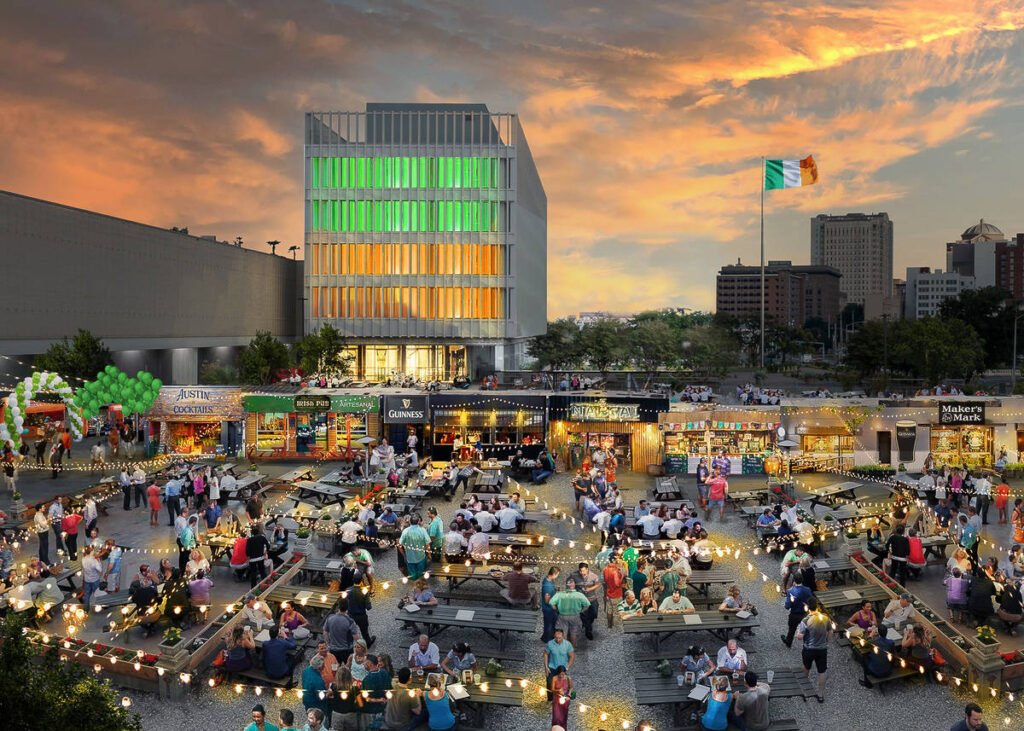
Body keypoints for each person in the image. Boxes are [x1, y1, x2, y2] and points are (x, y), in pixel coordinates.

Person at [796, 597, 831, 702]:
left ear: (807, 607)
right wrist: (826, 641)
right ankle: (820, 694)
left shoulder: (805, 620)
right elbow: (830, 632)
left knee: (806, 668)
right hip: (822, 649)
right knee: (822, 671)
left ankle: (805, 691)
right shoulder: (825, 618)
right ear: (817, 606)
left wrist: (799, 632)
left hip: (809, 649)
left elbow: (799, 637)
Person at [324, 597, 360, 662]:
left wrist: (329, 642)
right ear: (347, 607)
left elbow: (326, 632)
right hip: (347, 650)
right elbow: (355, 637)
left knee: (335, 668)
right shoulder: (350, 621)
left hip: (333, 649)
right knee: (348, 667)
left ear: (338, 607)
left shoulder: (330, 618)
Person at [781, 573, 811, 648]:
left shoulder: (791, 591)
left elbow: (787, 606)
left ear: (794, 580)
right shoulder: (807, 590)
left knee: (792, 629)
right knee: (806, 630)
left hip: (794, 614)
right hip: (805, 613)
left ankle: (788, 642)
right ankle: (807, 645)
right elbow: (809, 601)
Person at [543, 628, 574, 700]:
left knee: (563, 684)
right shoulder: (550, 643)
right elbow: (545, 654)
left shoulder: (567, 644)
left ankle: (563, 698)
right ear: (554, 636)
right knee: (549, 683)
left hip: (562, 668)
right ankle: (550, 699)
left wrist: (568, 666)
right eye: (556, 638)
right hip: (552, 667)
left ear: (563, 636)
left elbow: (572, 656)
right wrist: (546, 667)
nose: (558, 639)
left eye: (559, 638)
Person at [399, 515, 430, 580]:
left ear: (410, 522)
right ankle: (421, 586)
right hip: (421, 557)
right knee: (421, 575)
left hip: (410, 557)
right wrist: (429, 555)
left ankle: (414, 587)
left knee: (412, 576)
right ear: (418, 521)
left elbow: (400, 545)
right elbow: (427, 544)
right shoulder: (422, 530)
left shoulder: (406, 531)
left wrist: (404, 555)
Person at [301, 655, 331, 724]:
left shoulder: (306, 670)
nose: (324, 667)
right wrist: (328, 693)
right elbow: (321, 697)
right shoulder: (318, 681)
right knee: (317, 722)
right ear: (320, 667)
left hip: (307, 701)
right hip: (317, 706)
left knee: (310, 719)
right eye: (324, 665)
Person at [81, 545, 103, 610]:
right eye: (93, 551)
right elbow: (100, 569)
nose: (94, 551)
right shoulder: (94, 561)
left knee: (87, 595)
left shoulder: (83, 559)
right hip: (95, 579)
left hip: (87, 580)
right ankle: (99, 607)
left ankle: (86, 609)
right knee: (97, 594)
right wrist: (99, 562)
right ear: (91, 552)